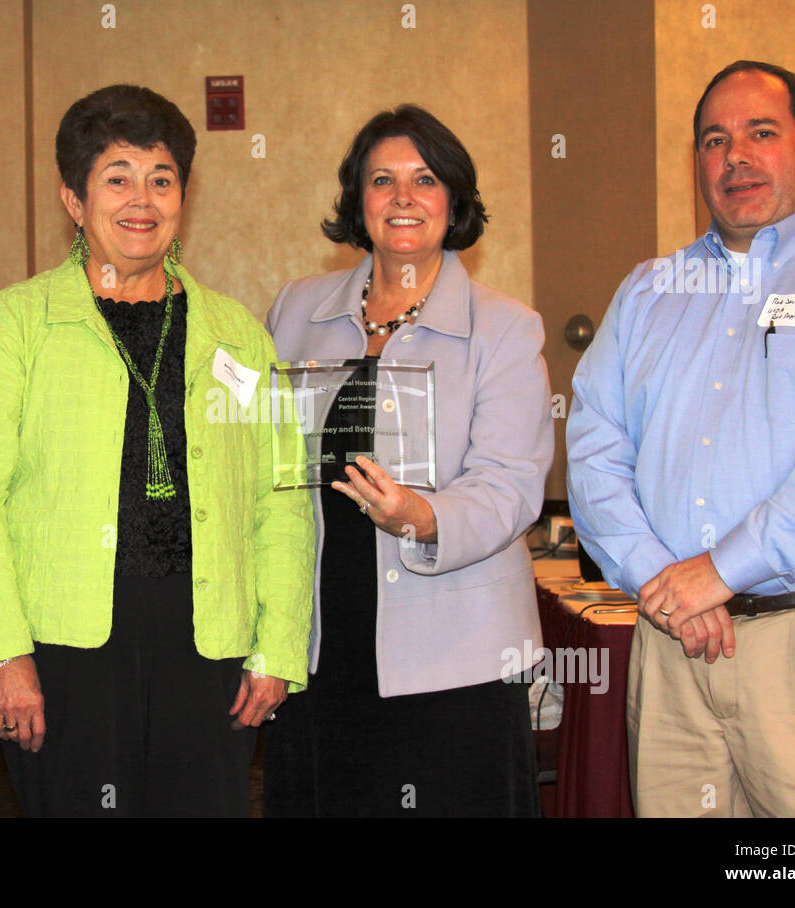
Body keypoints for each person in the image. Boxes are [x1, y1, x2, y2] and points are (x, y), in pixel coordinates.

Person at [0, 84, 314, 818]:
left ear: (183, 195)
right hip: (63, 650)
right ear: (75, 201)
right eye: (117, 177)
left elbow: (284, 498)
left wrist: (278, 647)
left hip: (209, 645)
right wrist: (5, 653)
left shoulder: (237, 331)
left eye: (161, 179)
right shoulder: (19, 322)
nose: (141, 200)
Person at [567, 60, 795, 817]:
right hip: (672, 654)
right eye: (715, 140)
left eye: (762, 132)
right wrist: (664, 579)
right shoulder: (648, 291)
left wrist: (721, 568)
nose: (736, 156)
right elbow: (593, 449)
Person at [263, 105, 553, 817]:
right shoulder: (296, 311)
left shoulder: (505, 326)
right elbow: (264, 458)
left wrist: (425, 517)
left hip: (456, 658)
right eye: (381, 180)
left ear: (452, 199)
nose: (402, 197)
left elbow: (513, 484)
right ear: (356, 201)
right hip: (320, 643)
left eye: (424, 180)